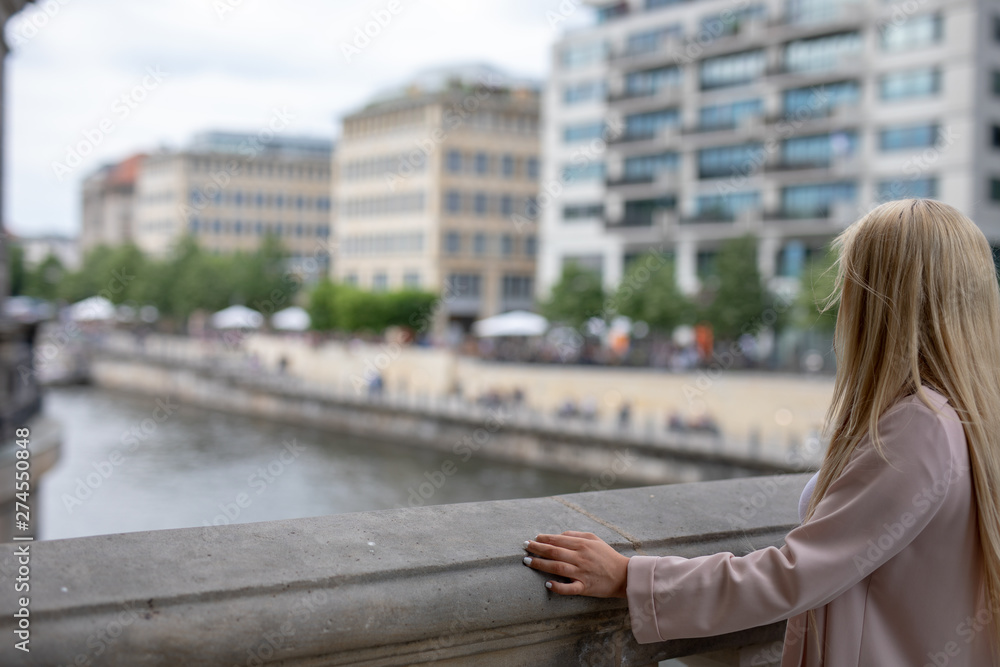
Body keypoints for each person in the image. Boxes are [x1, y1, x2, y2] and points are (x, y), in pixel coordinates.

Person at [521, 199, 1000, 665]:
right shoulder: (969, 417)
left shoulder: (919, 426)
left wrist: (631, 576)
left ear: (877, 303)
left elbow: (796, 574)